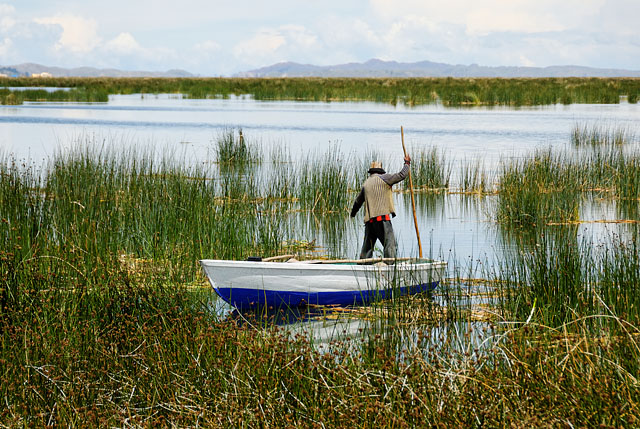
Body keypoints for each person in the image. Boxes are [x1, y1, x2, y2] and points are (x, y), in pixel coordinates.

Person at [350, 154, 411, 261]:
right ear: (380, 171)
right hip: (382, 219)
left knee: (367, 247)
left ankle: (364, 264)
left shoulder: (366, 183)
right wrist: (407, 164)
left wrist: (353, 213)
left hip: (370, 221)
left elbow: (357, 202)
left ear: (371, 172)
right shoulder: (385, 178)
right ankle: (390, 266)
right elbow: (402, 175)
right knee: (390, 245)